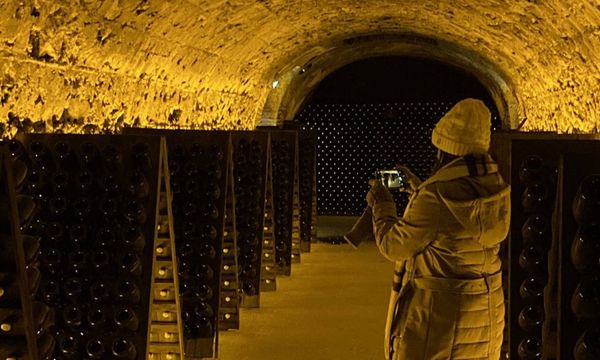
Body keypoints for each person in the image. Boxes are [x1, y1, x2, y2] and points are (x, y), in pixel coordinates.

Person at [366, 98, 511, 360]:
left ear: (445, 149)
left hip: (438, 321)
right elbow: (453, 225)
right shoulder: (496, 188)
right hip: (484, 315)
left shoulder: (435, 197)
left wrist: (383, 205)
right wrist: (419, 190)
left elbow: (393, 245)